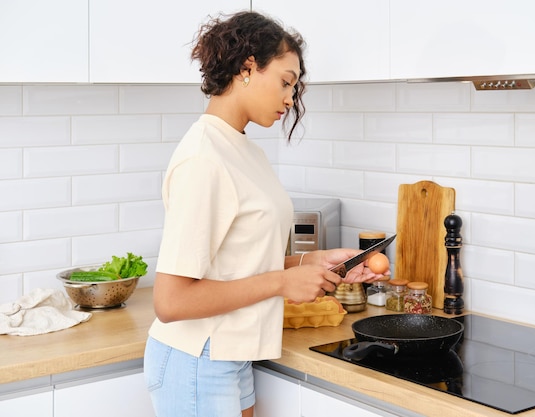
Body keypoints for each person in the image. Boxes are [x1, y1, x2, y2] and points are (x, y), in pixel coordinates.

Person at [143, 10, 389, 417]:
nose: (291, 99)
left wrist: (311, 263)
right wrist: (282, 282)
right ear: (246, 67)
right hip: (196, 360)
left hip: (230, 354)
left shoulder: (244, 149)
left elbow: (236, 261)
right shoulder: (204, 156)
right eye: (286, 82)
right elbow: (171, 301)